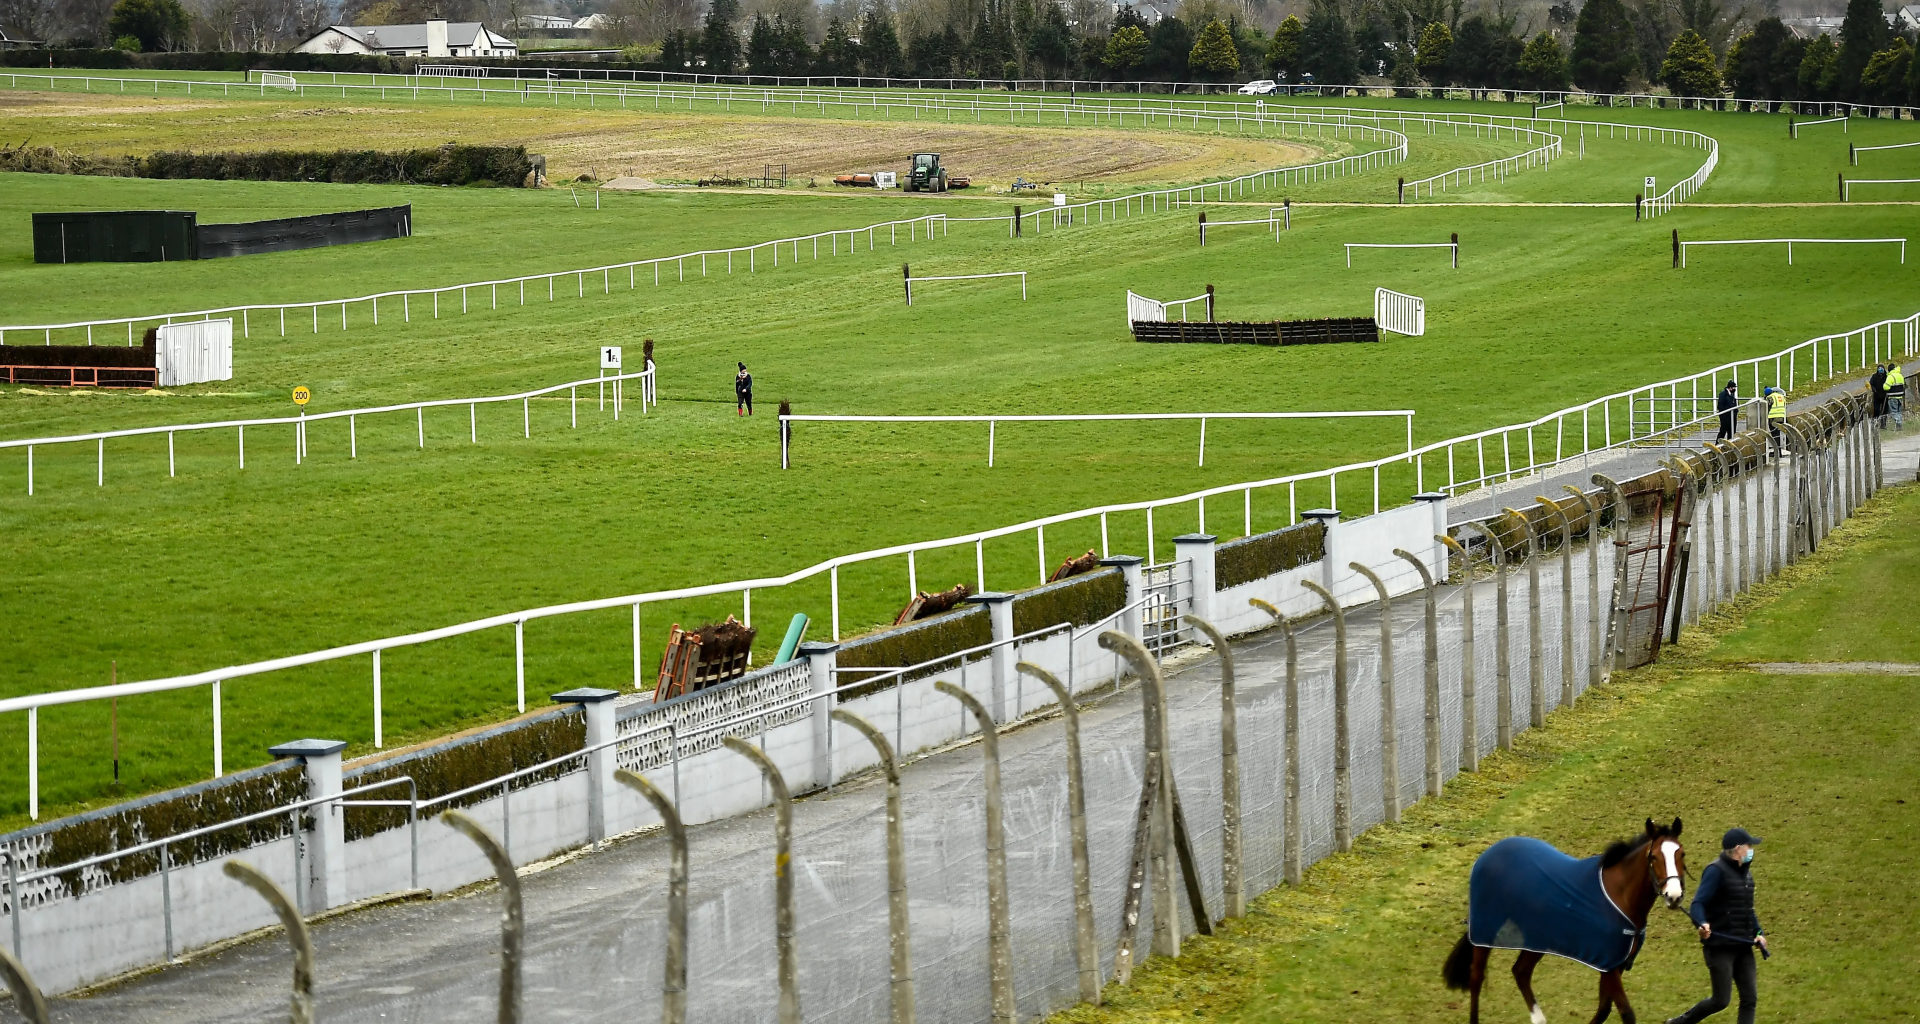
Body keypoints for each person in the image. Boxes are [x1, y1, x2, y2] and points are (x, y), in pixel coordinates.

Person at [1667, 828, 1768, 1024]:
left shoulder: (1746, 876)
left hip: (1744, 947)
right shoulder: (1716, 871)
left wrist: (1758, 933)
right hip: (1720, 948)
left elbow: (1748, 910)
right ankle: (1679, 1023)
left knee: (1750, 998)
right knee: (1721, 1000)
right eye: (1749, 846)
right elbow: (1698, 903)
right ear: (1738, 849)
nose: (1751, 850)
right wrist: (1702, 923)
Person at [1888, 362, 1906, 430]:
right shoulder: (1900, 375)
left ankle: (1898, 424)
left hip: (1893, 396)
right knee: (1899, 411)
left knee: (1894, 412)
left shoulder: (1890, 376)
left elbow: (1886, 387)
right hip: (1900, 396)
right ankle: (1900, 424)